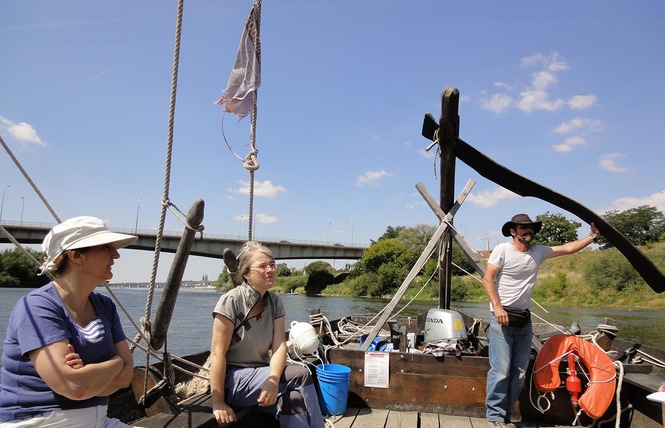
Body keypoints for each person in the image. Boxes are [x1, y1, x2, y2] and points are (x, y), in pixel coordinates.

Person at [0, 216, 138, 427]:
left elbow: (126, 376)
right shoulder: (38, 307)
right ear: (76, 256)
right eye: (106, 247)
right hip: (41, 422)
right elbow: (74, 385)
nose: (116, 254)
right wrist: (117, 362)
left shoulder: (105, 306)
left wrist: (91, 376)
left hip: (99, 421)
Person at [482, 213, 601, 428]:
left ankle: (506, 415)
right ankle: (495, 416)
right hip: (502, 317)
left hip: (523, 319)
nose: (528, 231)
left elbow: (567, 248)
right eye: (523, 228)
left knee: (518, 372)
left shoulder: (538, 252)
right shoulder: (502, 250)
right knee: (501, 370)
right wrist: (497, 307)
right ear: (513, 231)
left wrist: (592, 237)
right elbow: (487, 278)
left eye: (531, 228)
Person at [210, 241, 324, 428]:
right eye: (262, 266)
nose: (270, 270)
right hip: (234, 379)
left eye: (272, 265)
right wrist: (218, 402)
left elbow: (279, 346)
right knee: (301, 374)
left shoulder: (275, 302)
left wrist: (273, 379)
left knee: (293, 399)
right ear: (246, 274)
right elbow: (217, 353)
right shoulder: (231, 301)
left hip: (262, 375)